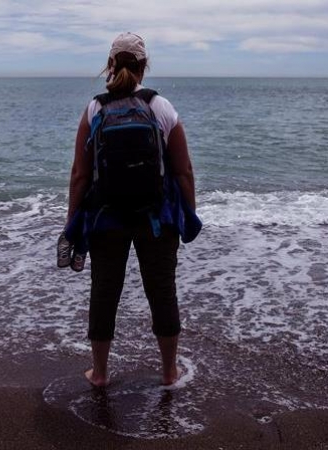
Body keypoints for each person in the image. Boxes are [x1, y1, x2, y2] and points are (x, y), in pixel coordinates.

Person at [62, 32, 200, 387]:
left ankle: (101, 373)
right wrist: (189, 215)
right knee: (162, 291)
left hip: (106, 218)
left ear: (110, 65)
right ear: (143, 66)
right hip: (157, 218)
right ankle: (169, 373)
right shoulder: (161, 107)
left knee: (105, 291)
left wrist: (72, 222)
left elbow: (80, 174)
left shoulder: (94, 109)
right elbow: (183, 171)